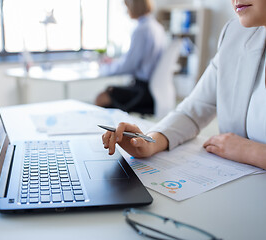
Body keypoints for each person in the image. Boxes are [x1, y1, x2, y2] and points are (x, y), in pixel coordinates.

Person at [101, 0, 266, 170]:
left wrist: (253, 152)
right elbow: (193, 110)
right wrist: (150, 142)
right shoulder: (236, 34)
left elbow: (129, 64)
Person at [95, 0, 166, 115]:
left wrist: (104, 69)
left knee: (101, 98)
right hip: (154, 90)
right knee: (112, 91)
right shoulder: (157, 27)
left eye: (126, 6)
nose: (125, 10)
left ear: (134, 6)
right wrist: (117, 62)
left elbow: (128, 66)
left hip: (143, 91)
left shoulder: (141, 30)